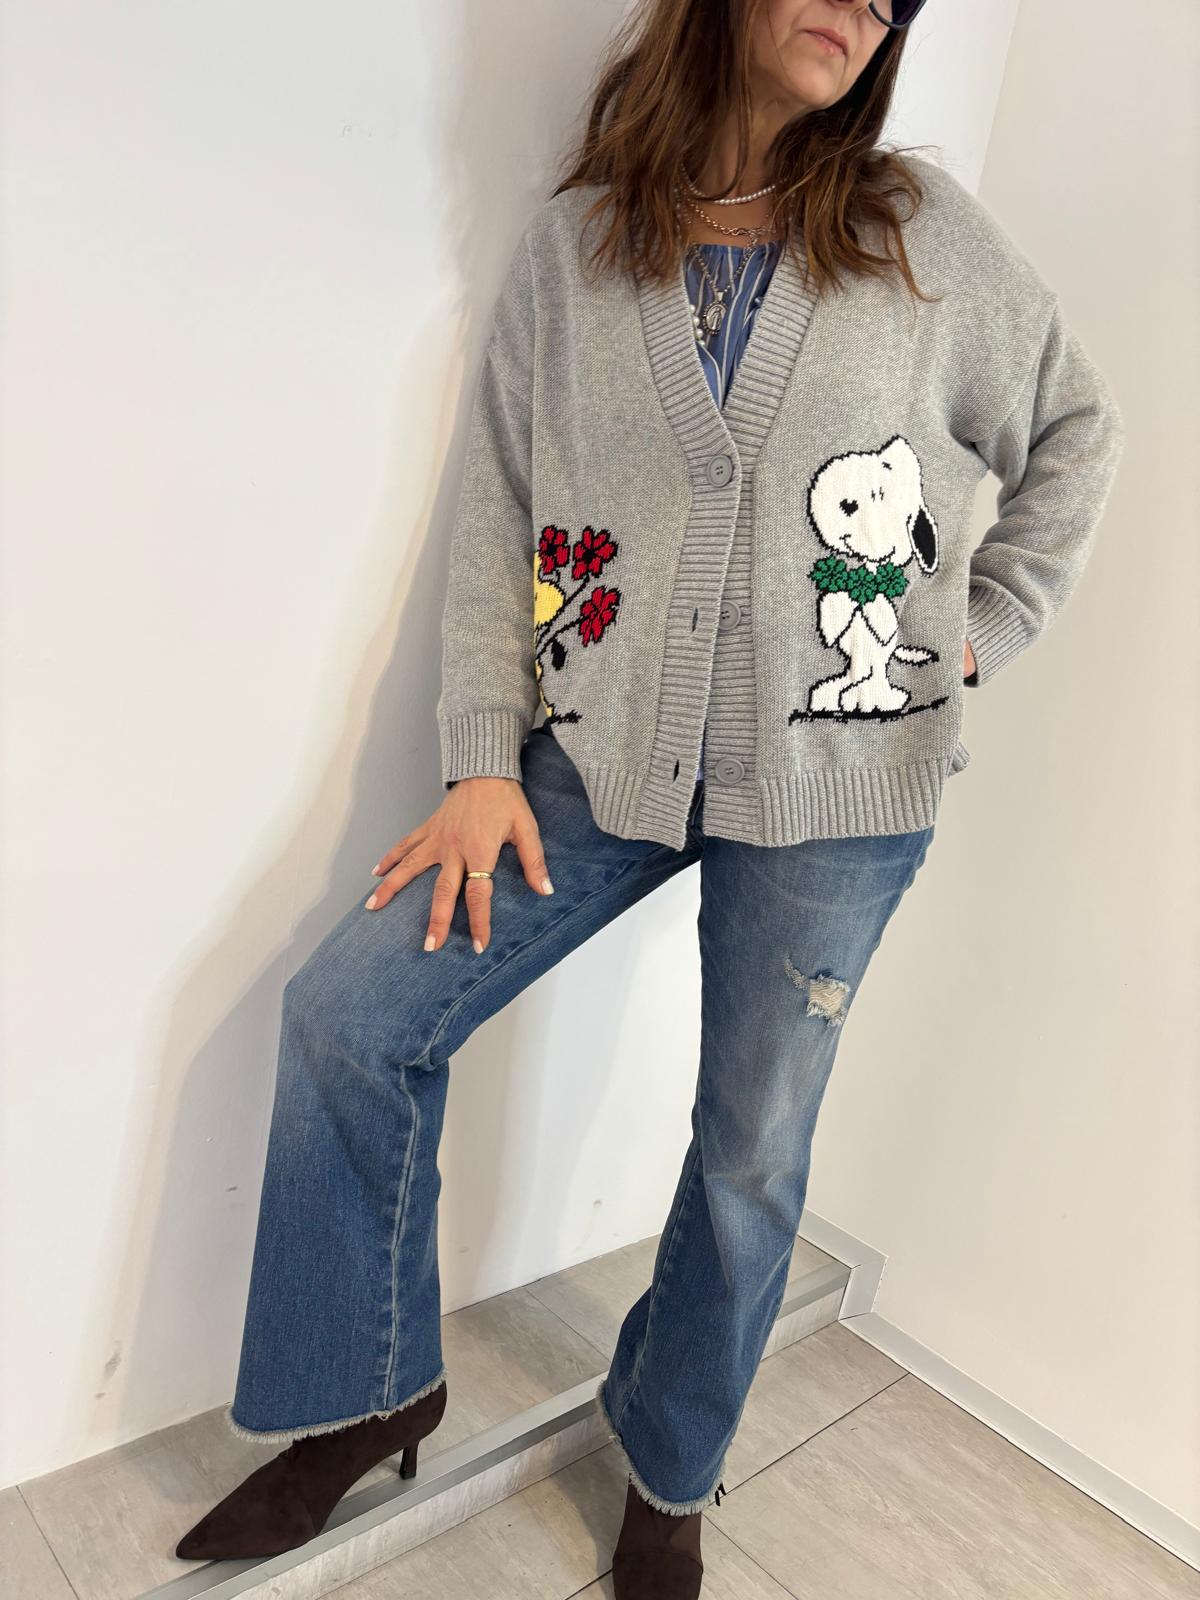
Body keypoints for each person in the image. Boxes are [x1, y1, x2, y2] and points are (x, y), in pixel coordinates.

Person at [175, 0, 1124, 1593]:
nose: (865, 6)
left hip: (838, 774)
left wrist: (977, 630)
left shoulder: (918, 236)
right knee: (351, 1014)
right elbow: (504, 511)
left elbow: (1078, 428)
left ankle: (671, 1465)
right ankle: (371, 1386)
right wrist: (483, 763)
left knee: (750, 1149)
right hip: (603, 751)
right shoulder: (577, 251)